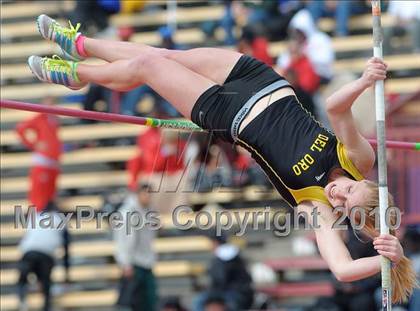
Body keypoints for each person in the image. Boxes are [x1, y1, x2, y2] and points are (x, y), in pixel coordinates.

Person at [29, 14, 416, 303]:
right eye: (348, 192)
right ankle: (80, 44)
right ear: (363, 183)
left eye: (343, 206)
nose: (338, 195)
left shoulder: (317, 209)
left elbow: (342, 269)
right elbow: (335, 107)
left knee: (148, 67)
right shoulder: (358, 159)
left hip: (228, 115)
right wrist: (364, 81)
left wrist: (386, 261)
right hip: (262, 80)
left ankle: (80, 74)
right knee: (162, 54)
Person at [17, 202, 70, 311]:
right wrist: (66, 273)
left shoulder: (36, 217)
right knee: (46, 286)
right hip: (46, 254)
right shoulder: (61, 221)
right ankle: (45, 307)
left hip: (29, 252)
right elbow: (66, 248)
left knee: (22, 280)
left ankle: (22, 302)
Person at [113, 183, 158, 311]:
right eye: (145, 194)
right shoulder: (128, 212)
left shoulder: (148, 211)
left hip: (146, 261)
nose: (148, 197)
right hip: (134, 263)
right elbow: (124, 240)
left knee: (149, 301)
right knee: (133, 302)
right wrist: (126, 263)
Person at [16, 96, 62, 212]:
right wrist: (34, 144)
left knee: (50, 194)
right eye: (48, 103)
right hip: (43, 161)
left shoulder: (54, 120)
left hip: (53, 161)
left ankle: (48, 218)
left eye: (52, 103)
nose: (51, 106)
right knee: (39, 195)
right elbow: (20, 129)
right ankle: (37, 220)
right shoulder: (40, 118)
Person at [193, 234, 253, 311]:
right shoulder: (229, 255)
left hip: (233, 291)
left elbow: (221, 278)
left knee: (199, 301)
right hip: (231, 290)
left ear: (216, 242)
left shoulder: (226, 255)